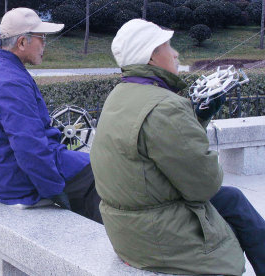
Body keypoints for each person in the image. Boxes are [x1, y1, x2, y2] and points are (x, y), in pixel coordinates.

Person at [90, 19, 265, 275]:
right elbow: (205, 184)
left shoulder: (121, 94)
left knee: (233, 199)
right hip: (159, 238)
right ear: (151, 57)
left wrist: (198, 119)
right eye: (168, 46)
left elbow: (158, 147)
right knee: (234, 204)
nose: (175, 53)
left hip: (128, 230)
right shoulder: (165, 106)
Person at [0, 8, 102, 223]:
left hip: (3, 172)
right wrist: (56, 191)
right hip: (16, 180)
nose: (45, 45)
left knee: (92, 164)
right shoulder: (10, 81)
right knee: (100, 174)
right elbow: (29, 147)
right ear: (22, 42)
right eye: (41, 39)